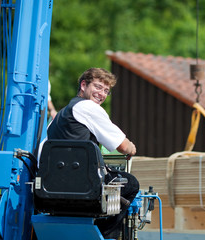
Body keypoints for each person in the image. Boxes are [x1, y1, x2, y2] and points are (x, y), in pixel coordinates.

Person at [47, 67, 139, 239]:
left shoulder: (59, 116)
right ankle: (105, 235)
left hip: (53, 186)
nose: (102, 94)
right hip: (84, 184)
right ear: (83, 85)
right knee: (131, 184)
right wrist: (132, 148)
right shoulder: (88, 107)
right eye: (98, 87)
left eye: (106, 91)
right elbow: (124, 147)